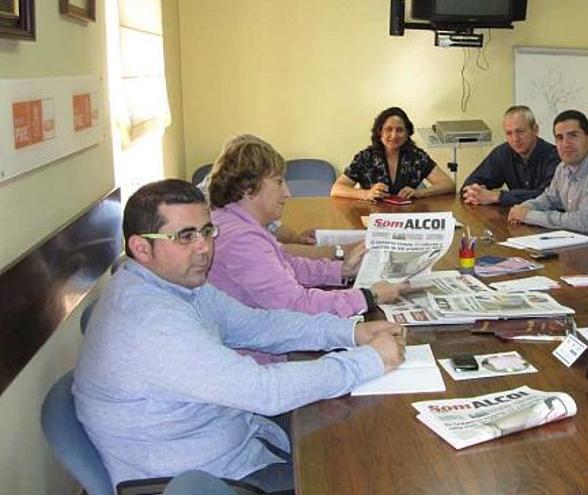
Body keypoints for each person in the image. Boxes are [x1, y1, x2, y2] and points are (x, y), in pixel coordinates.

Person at [73, 179, 406, 492]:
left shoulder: (176, 282)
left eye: (206, 231)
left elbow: (258, 325)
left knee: (355, 434)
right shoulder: (152, 322)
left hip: (230, 438)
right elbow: (263, 391)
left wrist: (350, 332)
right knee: (368, 472)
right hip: (209, 479)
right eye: (186, 236)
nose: (204, 248)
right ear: (141, 248)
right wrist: (369, 361)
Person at [208, 135, 405, 321]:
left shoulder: (233, 222)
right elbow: (297, 305)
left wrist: (342, 270)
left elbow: (287, 266)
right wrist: (369, 297)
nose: (287, 193)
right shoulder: (242, 240)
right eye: (278, 182)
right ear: (248, 188)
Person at [508, 110, 588, 234]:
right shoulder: (563, 167)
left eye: (573, 135)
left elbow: (584, 222)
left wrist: (529, 216)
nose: (566, 144)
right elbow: (549, 199)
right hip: (577, 243)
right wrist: (524, 207)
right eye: (560, 138)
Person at [196, 136, 315, 246]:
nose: (288, 194)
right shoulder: (201, 206)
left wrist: (296, 239)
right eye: (278, 181)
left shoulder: (245, 201)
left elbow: (274, 227)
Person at [331, 107, 455, 200]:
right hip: (373, 218)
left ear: (407, 134)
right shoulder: (365, 157)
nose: (394, 135)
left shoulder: (417, 157)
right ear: (379, 133)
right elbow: (337, 189)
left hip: (407, 219)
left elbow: (448, 185)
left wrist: (420, 193)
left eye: (400, 130)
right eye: (388, 129)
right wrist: (366, 193)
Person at [460, 105, 559, 206]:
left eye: (520, 131)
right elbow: (469, 185)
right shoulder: (503, 153)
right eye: (509, 133)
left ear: (535, 130)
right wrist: (475, 193)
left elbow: (549, 197)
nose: (515, 139)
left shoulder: (555, 156)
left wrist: (497, 197)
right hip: (513, 218)